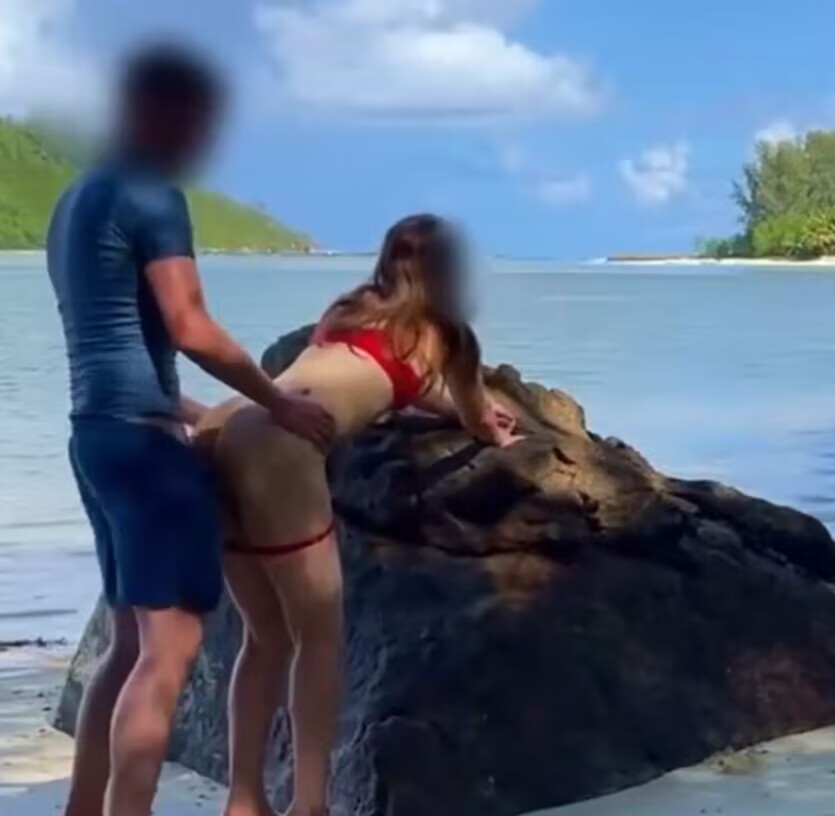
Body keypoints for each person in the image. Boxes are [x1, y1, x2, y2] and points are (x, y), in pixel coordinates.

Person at [48, 44, 336, 816]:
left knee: (127, 645)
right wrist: (277, 402)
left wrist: (198, 411)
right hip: (144, 452)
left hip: (96, 438)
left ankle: (83, 807)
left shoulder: (75, 200)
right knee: (168, 654)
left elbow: (110, 340)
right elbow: (189, 326)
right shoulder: (150, 193)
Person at [194, 214, 521, 816]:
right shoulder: (450, 336)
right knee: (318, 635)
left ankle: (243, 800)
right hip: (280, 450)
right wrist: (490, 424)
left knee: (263, 636)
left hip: (225, 423)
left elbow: (390, 377)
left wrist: (443, 402)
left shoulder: (349, 309)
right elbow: (477, 417)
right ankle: (309, 805)